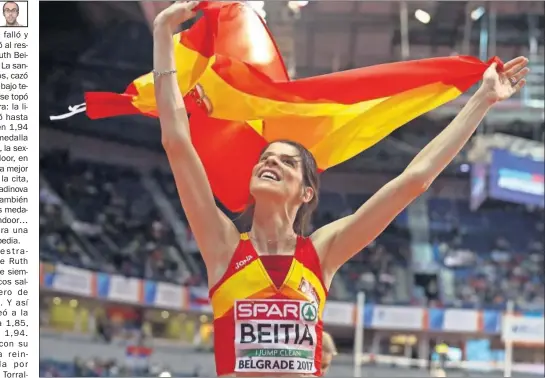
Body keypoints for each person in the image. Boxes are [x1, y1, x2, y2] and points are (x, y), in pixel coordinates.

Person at [152, 2, 529, 376]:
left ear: (306, 192)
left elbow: (414, 180)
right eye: (266, 157)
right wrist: (162, 36)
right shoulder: (223, 247)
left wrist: (482, 100)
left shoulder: (322, 251)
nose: (270, 162)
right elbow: (177, 142)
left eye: (286, 161)